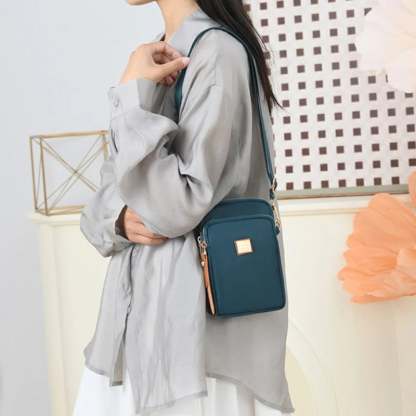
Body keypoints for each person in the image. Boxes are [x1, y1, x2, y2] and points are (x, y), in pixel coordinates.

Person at [73, 1, 294, 415]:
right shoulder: (160, 54)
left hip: (194, 338)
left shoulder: (218, 53)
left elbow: (176, 206)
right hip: (142, 325)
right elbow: (103, 201)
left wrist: (130, 98)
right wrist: (119, 218)